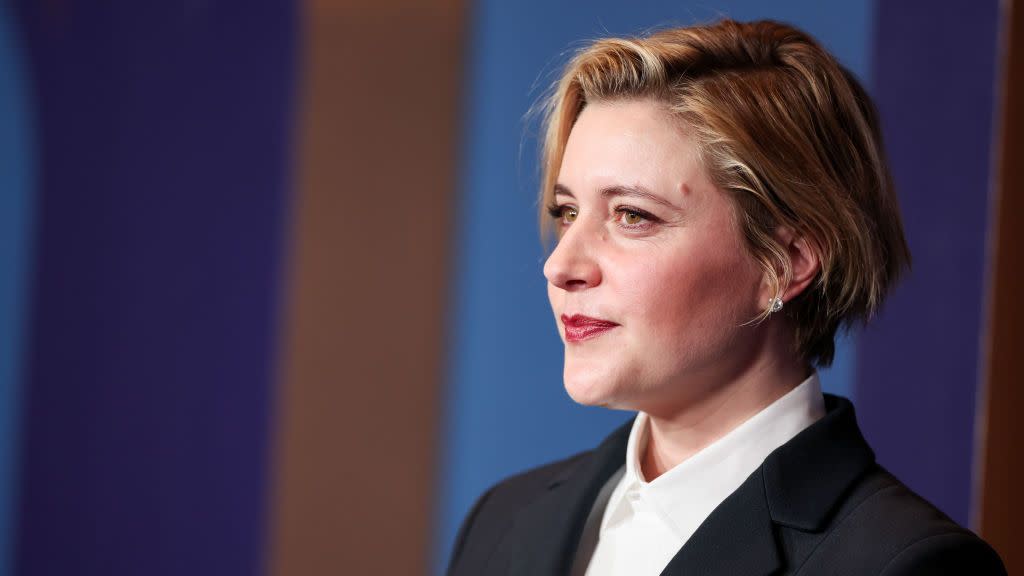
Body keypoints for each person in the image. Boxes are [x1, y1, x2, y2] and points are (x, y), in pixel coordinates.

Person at [446, 19, 1006, 576]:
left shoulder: (905, 564)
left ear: (784, 265)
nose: (559, 264)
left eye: (633, 216)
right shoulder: (504, 519)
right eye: (567, 213)